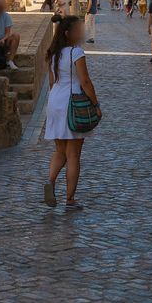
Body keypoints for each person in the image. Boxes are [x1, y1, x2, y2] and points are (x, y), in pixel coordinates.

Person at [43, 16, 100, 211]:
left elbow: (52, 82)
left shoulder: (52, 54)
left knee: (60, 151)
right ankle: (70, 199)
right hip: (73, 104)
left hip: (55, 102)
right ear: (69, 33)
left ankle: (50, 182)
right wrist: (96, 104)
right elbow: (85, 81)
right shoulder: (76, 52)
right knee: (74, 154)